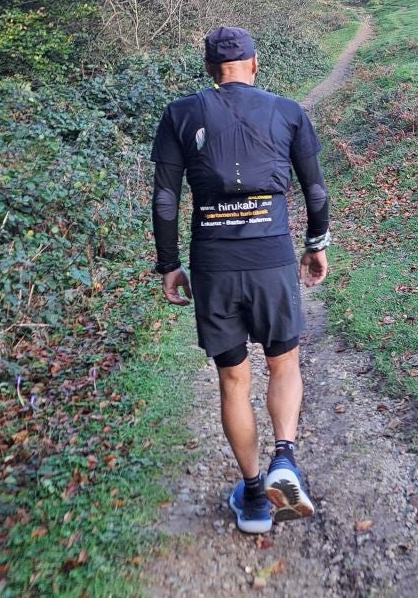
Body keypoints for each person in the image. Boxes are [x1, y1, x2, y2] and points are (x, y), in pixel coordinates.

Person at [150, 26, 330, 534]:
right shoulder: (288, 112)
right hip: (271, 259)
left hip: (214, 265)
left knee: (233, 379)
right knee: (283, 363)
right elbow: (316, 192)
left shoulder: (180, 113)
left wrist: (169, 264)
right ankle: (285, 459)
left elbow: (165, 199)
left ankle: (253, 498)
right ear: (255, 63)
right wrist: (316, 244)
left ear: (210, 69)